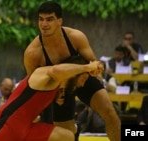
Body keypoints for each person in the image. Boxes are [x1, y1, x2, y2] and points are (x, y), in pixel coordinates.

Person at [23, 1, 120, 141]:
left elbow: (93, 60)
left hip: (82, 78)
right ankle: (74, 128)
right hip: (58, 89)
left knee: (110, 113)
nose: (44, 24)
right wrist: (52, 96)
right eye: (41, 19)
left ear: (59, 21)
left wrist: (97, 70)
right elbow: (33, 85)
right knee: (66, 136)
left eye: (49, 19)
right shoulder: (33, 53)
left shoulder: (75, 37)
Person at [0, 56, 102, 141]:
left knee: (67, 136)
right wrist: (88, 67)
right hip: (8, 123)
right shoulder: (45, 73)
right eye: (83, 79)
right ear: (74, 73)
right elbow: (58, 70)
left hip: (26, 128)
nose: (82, 85)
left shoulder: (55, 86)